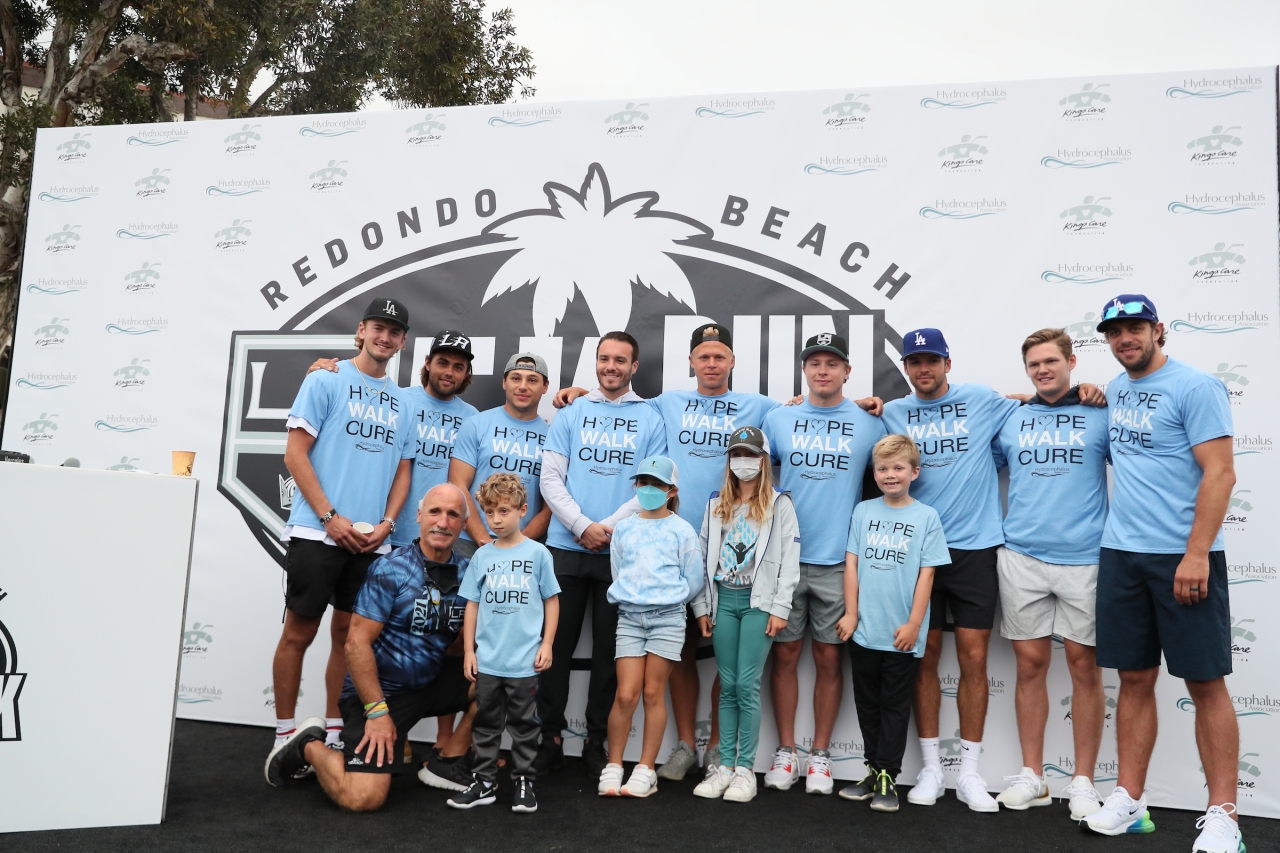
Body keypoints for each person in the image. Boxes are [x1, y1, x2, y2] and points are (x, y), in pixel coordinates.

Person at [553, 323, 782, 779]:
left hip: (733, 543)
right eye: (703, 356)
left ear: (732, 361)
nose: (712, 364)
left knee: (727, 652)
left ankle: (717, 745)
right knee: (680, 647)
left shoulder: (760, 406)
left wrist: (857, 404)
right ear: (692, 362)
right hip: (670, 540)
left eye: (720, 356)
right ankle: (682, 744)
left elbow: (805, 412)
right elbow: (615, 395)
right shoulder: (665, 404)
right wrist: (579, 393)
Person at [1082, 296, 1242, 853]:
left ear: (1158, 330)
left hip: (1184, 558)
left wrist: (1196, 553)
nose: (1125, 337)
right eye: (1115, 331)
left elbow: (1220, 474)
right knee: (1132, 679)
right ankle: (1130, 800)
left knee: (1204, 683)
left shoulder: (1196, 387)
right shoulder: (1117, 388)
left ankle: (1224, 816)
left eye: (1135, 328)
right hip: (1121, 553)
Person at [309, 329, 480, 753]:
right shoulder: (397, 399)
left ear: (466, 373)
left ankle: (444, 741)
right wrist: (323, 369)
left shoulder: (474, 417)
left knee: (445, 636)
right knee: (363, 631)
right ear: (427, 364)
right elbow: (358, 387)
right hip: (394, 536)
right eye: (442, 362)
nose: (449, 371)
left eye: (458, 366)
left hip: (450, 538)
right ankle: (357, 725)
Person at [264, 483, 477, 812]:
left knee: (502, 681)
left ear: (464, 523)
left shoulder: (469, 574)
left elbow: (457, 647)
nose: (443, 522)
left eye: (453, 515)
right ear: (419, 516)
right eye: (435, 512)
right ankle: (307, 746)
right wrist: (377, 714)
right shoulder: (392, 568)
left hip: (428, 685)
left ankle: (446, 763)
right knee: (363, 797)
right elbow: (355, 643)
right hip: (380, 696)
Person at [269, 298, 414, 767]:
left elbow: (403, 473)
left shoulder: (403, 402)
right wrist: (330, 517)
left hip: (373, 543)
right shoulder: (326, 378)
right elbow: (295, 455)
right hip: (318, 533)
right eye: (378, 328)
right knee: (298, 632)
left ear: (402, 341)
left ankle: (334, 731)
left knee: (350, 639)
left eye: (394, 332)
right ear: (361, 331)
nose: (384, 337)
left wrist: (388, 524)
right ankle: (284, 732)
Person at [880, 328, 1020, 812]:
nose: (923, 369)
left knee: (974, 658)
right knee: (923, 655)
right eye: (914, 362)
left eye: (931, 360)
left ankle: (971, 774)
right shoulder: (895, 412)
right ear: (906, 368)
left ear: (947, 363)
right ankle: (931, 769)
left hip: (976, 549)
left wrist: (1083, 392)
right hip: (918, 551)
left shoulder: (981, 400)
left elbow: (1032, 401)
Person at [537, 332, 667, 779]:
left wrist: (608, 528)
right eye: (604, 359)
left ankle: (597, 741)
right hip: (564, 547)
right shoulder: (572, 411)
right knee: (553, 646)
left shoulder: (651, 416)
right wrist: (581, 526)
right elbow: (550, 478)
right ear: (596, 363)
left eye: (621, 360)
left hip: (621, 552)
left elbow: (652, 485)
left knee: (612, 654)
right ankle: (548, 737)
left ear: (634, 367)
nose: (611, 366)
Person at [760, 333, 886, 794]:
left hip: (839, 561)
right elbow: (752, 471)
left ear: (847, 371)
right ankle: (786, 751)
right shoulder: (780, 418)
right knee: (785, 656)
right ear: (804, 371)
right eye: (814, 363)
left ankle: (821, 756)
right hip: (785, 559)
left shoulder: (872, 422)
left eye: (832, 363)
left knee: (830, 658)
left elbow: (896, 470)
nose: (823, 371)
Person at [991, 329, 1109, 819]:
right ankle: (1033, 775)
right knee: (1030, 666)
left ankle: (1083, 781)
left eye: (1050, 362)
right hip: (1021, 557)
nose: (1042, 370)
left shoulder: (1101, 413)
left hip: (1086, 558)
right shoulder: (1012, 420)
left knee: (1085, 667)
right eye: (1034, 364)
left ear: (1071, 361)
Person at [836, 434, 947, 813]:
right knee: (867, 704)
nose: (890, 474)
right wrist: (851, 614)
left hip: (902, 636)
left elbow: (927, 575)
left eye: (898, 468)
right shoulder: (863, 511)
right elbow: (851, 564)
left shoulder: (926, 517)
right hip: (864, 631)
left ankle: (888, 776)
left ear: (915, 472)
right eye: (882, 468)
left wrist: (915, 624)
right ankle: (872, 769)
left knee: (894, 706)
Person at [691, 426, 800, 803]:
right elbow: (703, 562)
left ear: (763, 460)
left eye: (751, 455)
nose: (744, 462)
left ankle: (744, 770)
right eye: (737, 454)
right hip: (724, 601)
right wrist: (702, 606)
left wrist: (780, 607)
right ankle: (722, 766)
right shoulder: (714, 505)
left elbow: (790, 561)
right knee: (727, 682)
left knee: (746, 685)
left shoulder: (779, 503)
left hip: (759, 605)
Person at [449, 473, 560, 812]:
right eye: (489, 513)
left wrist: (547, 644)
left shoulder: (539, 554)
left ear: (523, 510)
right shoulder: (482, 557)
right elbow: (472, 604)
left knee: (525, 726)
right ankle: (484, 782)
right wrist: (469, 650)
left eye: (504, 511)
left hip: (524, 661)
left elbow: (551, 600)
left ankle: (524, 780)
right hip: (488, 662)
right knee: (485, 723)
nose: (496, 519)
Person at [597, 455, 703, 797]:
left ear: (671, 491)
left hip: (668, 620)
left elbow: (694, 580)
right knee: (625, 693)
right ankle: (614, 766)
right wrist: (637, 598)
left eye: (657, 484)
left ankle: (645, 770)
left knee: (654, 692)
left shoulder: (682, 530)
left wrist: (666, 600)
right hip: (629, 618)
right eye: (643, 483)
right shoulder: (624, 528)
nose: (649, 489)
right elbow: (619, 573)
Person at [450, 353, 553, 559]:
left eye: (532, 380)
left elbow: (551, 505)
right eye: (516, 378)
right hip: (469, 543)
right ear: (504, 382)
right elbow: (458, 484)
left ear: (545, 387)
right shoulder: (476, 424)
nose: (523, 386)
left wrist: (517, 543)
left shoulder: (553, 437)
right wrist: (482, 538)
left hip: (525, 547)